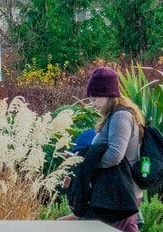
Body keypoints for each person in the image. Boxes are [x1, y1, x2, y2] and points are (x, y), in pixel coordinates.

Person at [59, 66, 145, 232]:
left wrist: (88, 165)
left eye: (95, 98)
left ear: (107, 95)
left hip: (120, 195)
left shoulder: (120, 116)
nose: (93, 104)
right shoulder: (117, 115)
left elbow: (115, 155)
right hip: (121, 193)